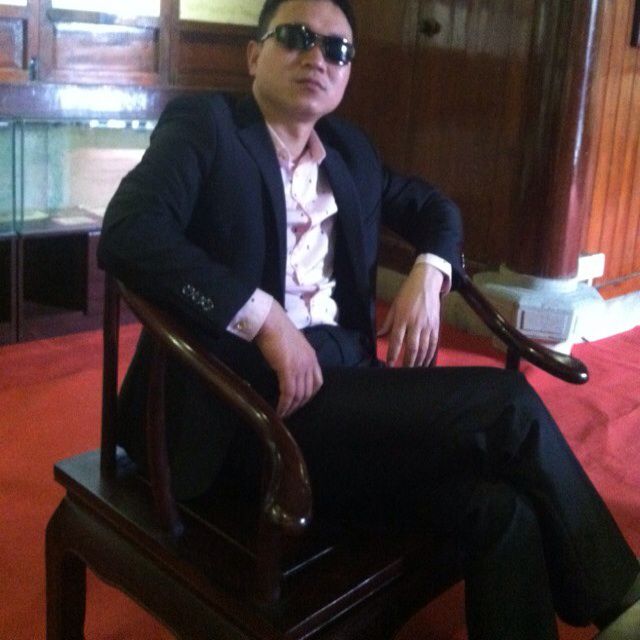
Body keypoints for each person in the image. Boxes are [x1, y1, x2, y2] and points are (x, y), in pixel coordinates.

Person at [97, 0, 640, 637]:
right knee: (507, 405)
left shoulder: (351, 150)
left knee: (498, 506)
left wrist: (430, 272)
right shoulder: (205, 127)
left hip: (344, 395)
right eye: (296, 37)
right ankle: (623, 605)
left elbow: (435, 210)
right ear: (253, 54)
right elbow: (130, 233)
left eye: (337, 49)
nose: (317, 57)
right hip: (240, 410)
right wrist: (263, 316)